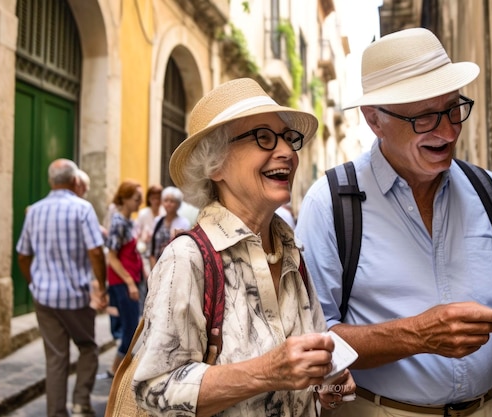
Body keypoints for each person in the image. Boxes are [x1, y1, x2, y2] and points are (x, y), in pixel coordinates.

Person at [295, 28, 492, 416]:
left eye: (454, 109)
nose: (448, 130)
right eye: (425, 117)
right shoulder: (330, 203)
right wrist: (416, 335)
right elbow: (312, 340)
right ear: (374, 120)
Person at [132, 78, 356, 416]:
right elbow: (152, 389)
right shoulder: (187, 258)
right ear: (215, 163)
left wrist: (329, 383)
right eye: (263, 138)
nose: (287, 153)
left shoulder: (292, 252)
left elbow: (312, 364)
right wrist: (266, 372)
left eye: (288, 138)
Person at [16, 158, 107, 417]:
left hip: (44, 297)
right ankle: (80, 403)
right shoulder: (82, 208)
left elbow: (23, 255)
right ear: (76, 180)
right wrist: (101, 286)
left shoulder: (34, 210)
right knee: (88, 347)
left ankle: (56, 413)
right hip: (75, 297)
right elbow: (96, 252)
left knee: (55, 358)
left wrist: (34, 283)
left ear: (50, 181)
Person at [105, 180, 144, 377]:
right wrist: (129, 282)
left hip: (131, 280)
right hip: (122, 282)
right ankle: (116, 371)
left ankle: (118, 370)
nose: (140, 203)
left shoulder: (129, 222)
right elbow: (112, 257)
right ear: (125, 199)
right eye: (137, 199)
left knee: (132, 328)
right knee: (130, 329)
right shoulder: (119, 223)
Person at [148, 186, 191, 269]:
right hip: (156, 265)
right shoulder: (158, 221)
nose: (168, 204)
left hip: (173, 266)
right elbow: (152, 245)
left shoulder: (184, 223)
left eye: (172, 201)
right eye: (166, 200)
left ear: (178, 204)